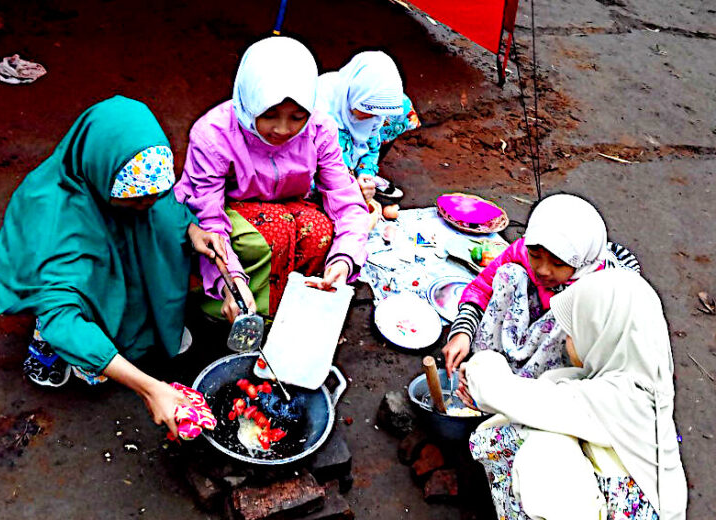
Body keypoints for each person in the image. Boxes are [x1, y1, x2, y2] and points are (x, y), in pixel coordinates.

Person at [0, 96, 227, 437]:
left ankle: (131, 327)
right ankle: (57, 348)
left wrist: (193, 230)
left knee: (158, 221)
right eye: (136, 198)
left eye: (155, 193)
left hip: (111, 248)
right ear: (102, 174)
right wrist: (150, 387)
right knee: (66, 320)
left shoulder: (141, 194)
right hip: (62, 284)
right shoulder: (55, 218)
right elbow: (62, 316)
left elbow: (165, 208)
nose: (149, 203)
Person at [456, 269, 687, 520]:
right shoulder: (644, 380)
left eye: (572, 332)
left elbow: (524, 399)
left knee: (543, 446)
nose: (566, 341)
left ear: (601, 336)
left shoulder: (623, 398)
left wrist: (477, 367)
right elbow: (554, 394)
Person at [174, 37, 369, 320]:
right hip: (231, 213)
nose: (282, 129)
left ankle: (289, 303)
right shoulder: (213, 135)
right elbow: (208, 221)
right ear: (250, 101)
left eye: (297, 116)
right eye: (269, 114)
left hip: (288, 206)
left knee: (318, 232)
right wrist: (231, 279)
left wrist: (345, 259)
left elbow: (346, 199)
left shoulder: (319, 128)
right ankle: (234, 303)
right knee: (271, 235)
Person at [442, 193, 640, 379]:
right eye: (535, 256)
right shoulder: (523, 251)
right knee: (508, 274)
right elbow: (481, 289)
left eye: (558, 263)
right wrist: (462, 333)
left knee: (569, 312)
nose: (543, 270)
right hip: (525, 330)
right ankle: (485, 364)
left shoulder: (602, 287)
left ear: (583, 262)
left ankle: (523, 388)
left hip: (553, 371)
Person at [314, 51, 420, 202]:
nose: (374, 118)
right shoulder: (321, 110)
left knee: (399, 111)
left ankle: (361, 176)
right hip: (321, 156)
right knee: (336, 180)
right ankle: (347, 181)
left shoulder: (368, 109)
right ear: (356, 94)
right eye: (368, 110)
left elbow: (372, 144)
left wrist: (366, 173)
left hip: (349, 138)